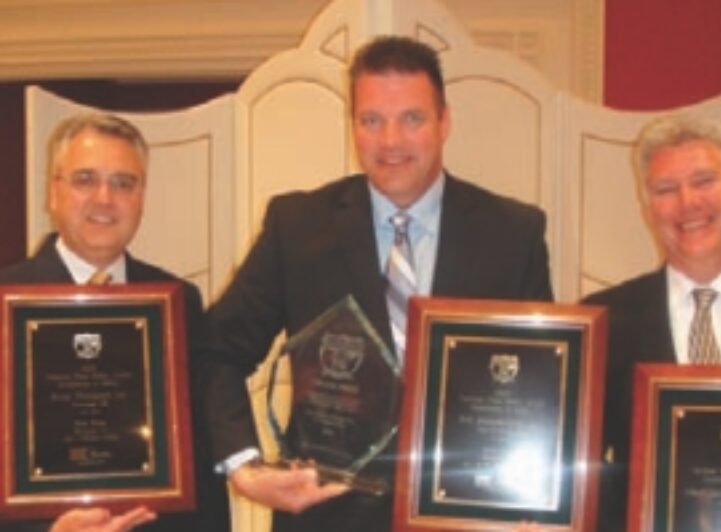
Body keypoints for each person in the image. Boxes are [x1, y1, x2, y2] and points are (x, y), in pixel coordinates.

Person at [204, 35, 554, 531]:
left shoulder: (513, 234)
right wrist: (245, 466)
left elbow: (543, 387)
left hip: (468, 517)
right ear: (353, 125)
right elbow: (216, 350)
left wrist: (537, 503)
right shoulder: (298, 226)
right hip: (325, 518)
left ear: (444, 122)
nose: (391, 141)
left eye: (412, 119)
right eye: (372, 120)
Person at [0, 113, 229, 532]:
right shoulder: (6, 302)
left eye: (124, 183)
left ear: (142, 197)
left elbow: (201, 450)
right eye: (85, 179)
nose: (104, 198)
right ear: (54, 191)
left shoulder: (178, 302)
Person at [584, 114, 721, 531]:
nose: (688, 203)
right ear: (649, 208)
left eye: (704, 181)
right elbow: (587, 471)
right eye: (666, 189)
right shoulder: (606, 320)